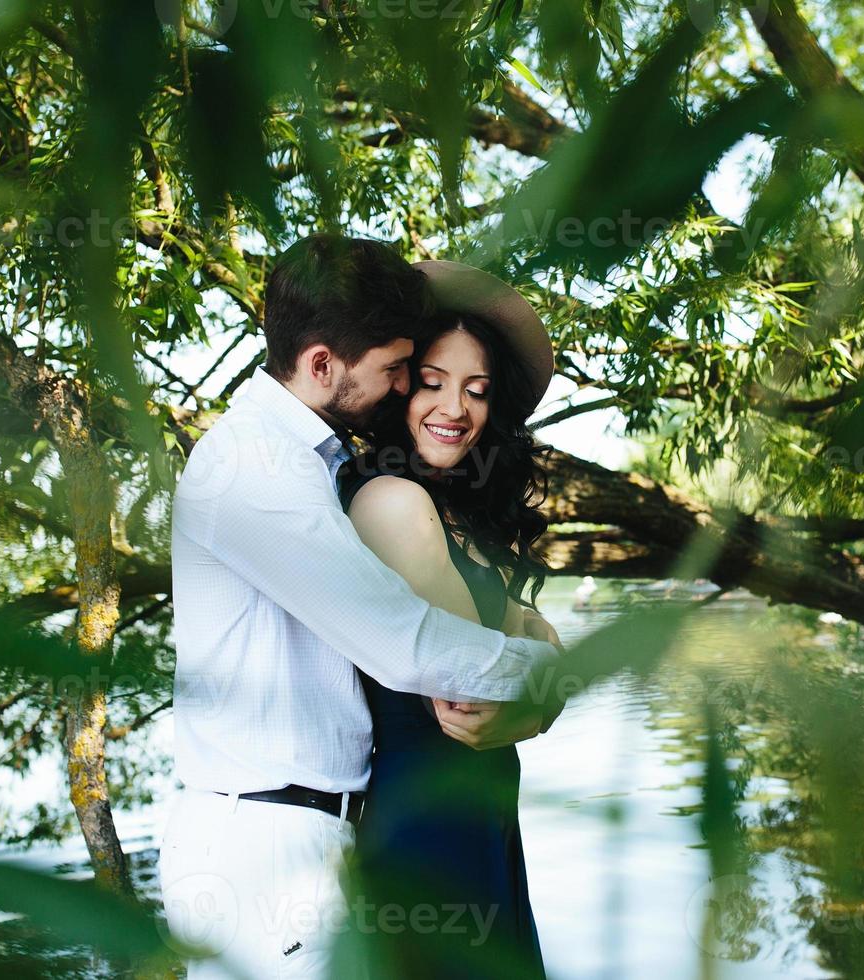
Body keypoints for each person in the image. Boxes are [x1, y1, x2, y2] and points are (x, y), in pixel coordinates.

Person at [160, 236, 559, 980]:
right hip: (266, 844)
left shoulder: (316, 467)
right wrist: (558, 670)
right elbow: (411, 648)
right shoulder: (258, 470)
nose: (408, 386)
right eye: (401, 370)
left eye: (473, 388)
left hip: (321, 828)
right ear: (321, 365)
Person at [333, 259, 560, 980]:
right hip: (426, 832)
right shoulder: (391, 503)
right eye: (432, 381)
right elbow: (480, 686)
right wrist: (544, 686)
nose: (454, 407)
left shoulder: (456, 516)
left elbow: (538, 652)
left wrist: (543, 680)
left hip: (486, 817)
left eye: (478, 390)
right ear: (398, 387)